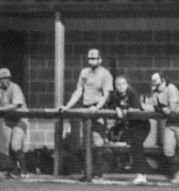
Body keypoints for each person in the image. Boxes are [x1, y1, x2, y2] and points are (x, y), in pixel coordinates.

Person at [59, 48, 113, 183]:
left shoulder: (105, 73)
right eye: (90, 58)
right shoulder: (84, 72)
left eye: (94, 58)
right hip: (86, 107)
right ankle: (87, 172)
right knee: (84, 142)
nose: (92, 60)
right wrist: (67, 106)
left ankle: (98, 174)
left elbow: (106, 94)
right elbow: (79, 90)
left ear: (100, 59)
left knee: (97, 141)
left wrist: (98, 107)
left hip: (99, 108)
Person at [151, 72, 179, 185]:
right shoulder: (155, 92)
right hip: (170, 122)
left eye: (156, 81)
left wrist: (164, 109)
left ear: (163, 80)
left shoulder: (171, 88)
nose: (154, 84)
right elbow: (155, 107)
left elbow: (172, 108)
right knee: (168, 150)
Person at [109, 76, 151, 184]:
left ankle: (142, 174)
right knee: (134, 148)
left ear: (127, 84)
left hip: (142, 124)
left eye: (123, 84)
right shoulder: (115, 95)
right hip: (130, 125)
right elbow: (112, 105)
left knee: (137, 145)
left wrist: (124, 110)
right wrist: (117, 108)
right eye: (118, 84)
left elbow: (135, 108)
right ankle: (142, 172)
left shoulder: (133, 94)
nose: (121, 87)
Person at [0, 68, 30, 179]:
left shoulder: (15, 87)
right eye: (1, 79)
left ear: (9, 78)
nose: (3, 81)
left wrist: (1, 109)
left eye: (5, 78)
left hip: (20, 119)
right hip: (9, 120)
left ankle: (24, 171)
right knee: (6, 147)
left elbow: (16, 105)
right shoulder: (0, 90)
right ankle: (14, 171)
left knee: (15, 145)